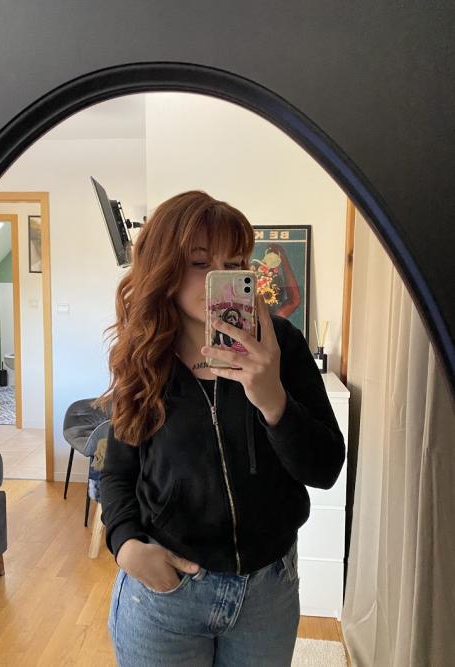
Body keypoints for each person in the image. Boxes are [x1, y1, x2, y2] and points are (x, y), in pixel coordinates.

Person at [97, 191, 345, 666]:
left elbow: (326, 468)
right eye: (199, 263)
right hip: (167, 593)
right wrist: (125, 543)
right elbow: (117, 469)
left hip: (267, 591)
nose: (219, 277)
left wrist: (272, 397)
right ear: (165, 269)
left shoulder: (282, 346)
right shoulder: (145, 355)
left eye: (232, 264)